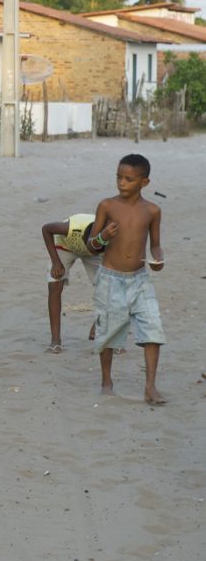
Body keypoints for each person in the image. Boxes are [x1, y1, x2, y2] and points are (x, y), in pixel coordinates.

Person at [90, 154, 167, 405]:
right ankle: (106, 381)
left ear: (144, 182)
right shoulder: (107, 206)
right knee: (108, 332)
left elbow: (155, 246)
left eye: (129, 179)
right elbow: (92, 246)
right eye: (118, 177)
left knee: (153, 327)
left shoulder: (152, 211)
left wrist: (158, 259)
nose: (121, 183)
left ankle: (150, 387)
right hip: (111, 278)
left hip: (140, 279)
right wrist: (103, 236)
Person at [41, 212, 114, 353]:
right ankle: (55, 341)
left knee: (109, 288)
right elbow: (46, 229)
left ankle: (99, 326)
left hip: (98, 252)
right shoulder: (70, 227)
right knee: (55, 284)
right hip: (66, 246)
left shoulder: (111, 239)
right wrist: (56, 262)